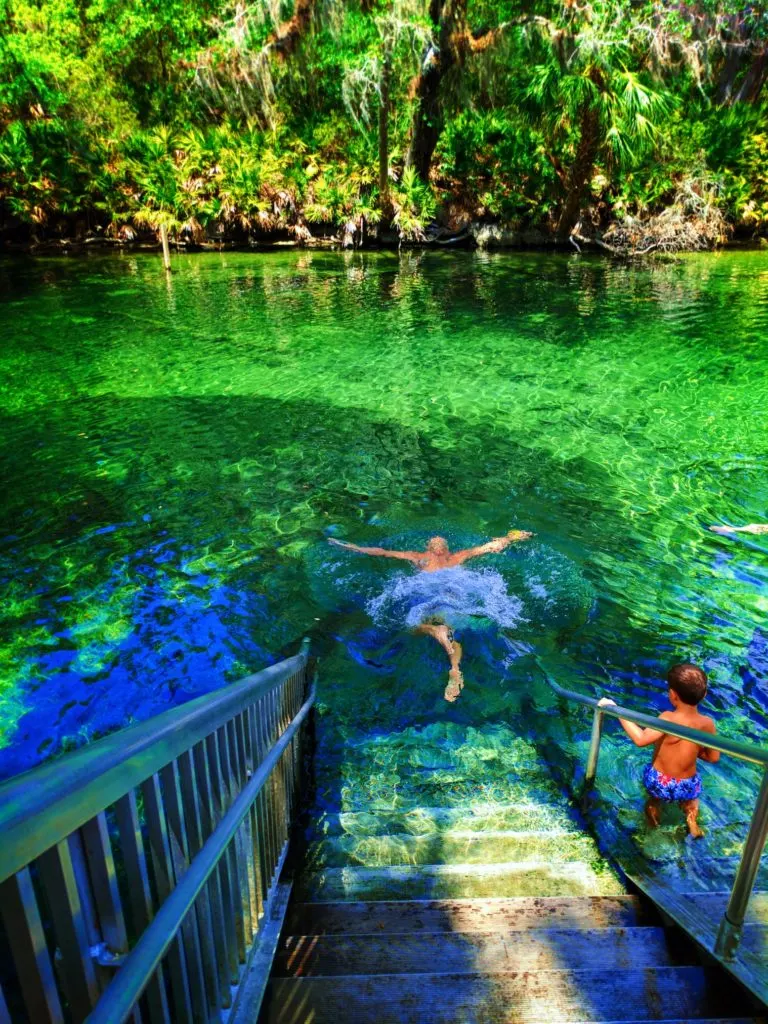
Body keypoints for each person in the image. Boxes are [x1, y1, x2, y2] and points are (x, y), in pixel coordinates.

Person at [328, 530, 533, 701]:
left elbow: (382, 552)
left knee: (414, 627)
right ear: (447, 549)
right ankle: (454, 664)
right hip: (454, 598)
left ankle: (439, 636)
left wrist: (353, 547)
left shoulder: (420, 558)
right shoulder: (457, 557)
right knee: (449, 627)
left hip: (430, 599)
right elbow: (490, 546)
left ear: (428, 548)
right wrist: (512, 536)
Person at [598, 663, 719, 839]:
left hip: (660, 781)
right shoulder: (707, 723)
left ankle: (653, 825)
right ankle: (692, 821)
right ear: (704, 694)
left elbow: (640, 739)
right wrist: (695, 747)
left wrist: (616, 710)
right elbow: (713, 757)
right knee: (692, 802)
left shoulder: (667, 718)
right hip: (687, 784)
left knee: (653, 802)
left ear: (672, 694)